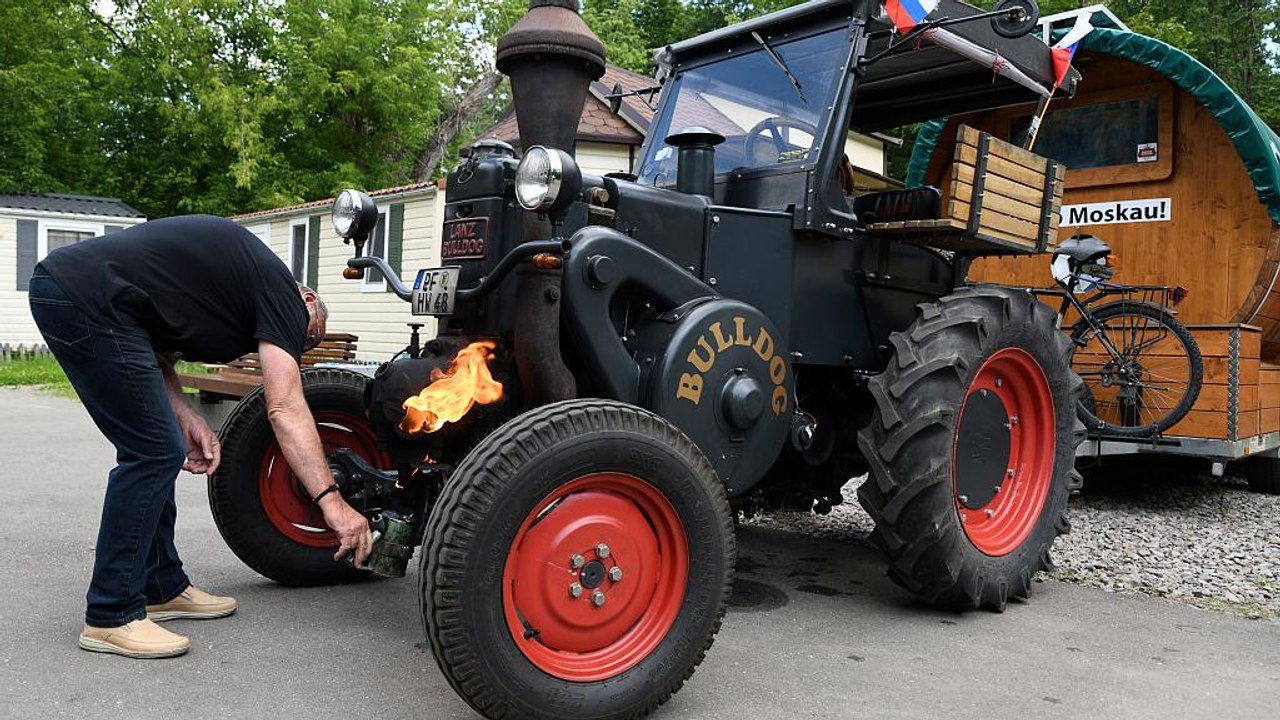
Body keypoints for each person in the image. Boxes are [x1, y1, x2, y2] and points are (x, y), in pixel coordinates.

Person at [28, 215, 374, 659]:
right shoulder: (282, 295)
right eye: (311, 336)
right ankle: (111, 614)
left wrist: (185, 413)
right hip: (83, 296)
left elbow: (153, 351)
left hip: (94, 299)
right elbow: (284, 407)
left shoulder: (235, 299)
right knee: (151, 452)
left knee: (160, 444)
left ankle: (162, 586)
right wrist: (333, 504)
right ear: (307, 300)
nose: (302, 346)